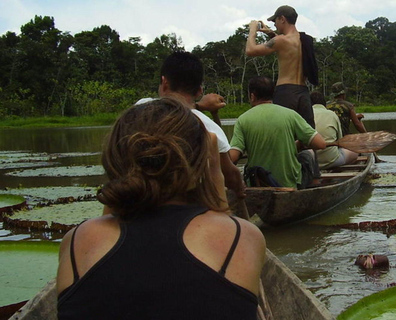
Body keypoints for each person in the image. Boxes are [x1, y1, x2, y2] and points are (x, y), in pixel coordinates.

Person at [56, 98, 266, 319]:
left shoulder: (76, 241)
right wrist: (214, 169)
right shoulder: (243, 236)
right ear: (198, 162)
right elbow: (224, 221)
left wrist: (121, 178)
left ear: (114, 159)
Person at [136, 51, 245, 199]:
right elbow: (230, 176)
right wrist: (239, 188)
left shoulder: (139, 109)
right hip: (186, 206)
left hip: (140, 198)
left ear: (164, 82)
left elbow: (171, 108)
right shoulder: (210, 128)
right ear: (199, 91)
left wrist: (200, 106)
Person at [229, 76, 326, 189]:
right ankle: (313, 185)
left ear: (252, 96)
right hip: (290, 184)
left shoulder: (242, 120)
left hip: (258, 183)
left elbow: (233, 157)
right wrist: (299, 143)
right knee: (308, 154)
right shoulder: (290, 115)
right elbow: (321, 144)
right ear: (273, 94)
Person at [245, 5, 318, 128]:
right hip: (303, 92)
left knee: (283, 131)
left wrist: (252, 30)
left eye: (275, 21)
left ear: (282, 19)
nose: (275, 25)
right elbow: (286, 46)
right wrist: (270, 33)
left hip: (286, 92)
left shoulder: (281, 41)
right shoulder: (304, 40)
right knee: (307, 133)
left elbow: (250, 50)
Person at [326, 82, 383, 162]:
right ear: (343, 94)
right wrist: (366, 135)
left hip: (329, 139)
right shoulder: (348, 106)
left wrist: (353, 117)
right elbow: (357, 124)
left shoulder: (326, 105)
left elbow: (337, 118)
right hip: (344, 138)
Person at [311, 91, 358, 169]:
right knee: (355, 153)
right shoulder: (332, 114)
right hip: (331, 160)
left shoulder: (303, 115)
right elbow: (339, 140)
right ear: (324, 104)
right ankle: (338, 170)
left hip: (310, 160)